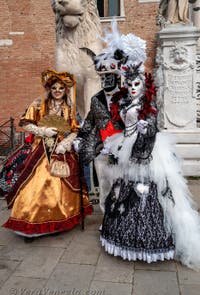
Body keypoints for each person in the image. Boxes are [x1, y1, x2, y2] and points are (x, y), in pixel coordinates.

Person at [99, 29, 200, 270]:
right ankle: (121, 234)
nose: (133, 87)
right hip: (126, 147)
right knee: (122, 190)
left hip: (148, 152)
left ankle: (154, 240)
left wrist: (146, 131)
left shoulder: (148, 104)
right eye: (129, 84)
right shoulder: (123, 102)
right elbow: (119, 124)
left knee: (148, 190)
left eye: (137, 84)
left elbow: (153, 127)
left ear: (144, 85)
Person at [3, 69, 92, 239]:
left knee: (63, 182)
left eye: (61, 88)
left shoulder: (68, 107)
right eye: (54, 88)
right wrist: (41, 130)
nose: (58, 91)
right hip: (41, 148)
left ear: (65, 90)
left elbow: (74, 130)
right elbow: (25, 123)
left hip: (63, 150)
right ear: (49, 90)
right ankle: (32, 220)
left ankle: (61, 220)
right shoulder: (38, 104)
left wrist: (66, 143)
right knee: (40, 181)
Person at [75, 50, 127, 213]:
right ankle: (107, 216)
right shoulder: (96, 99)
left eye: (108, 76)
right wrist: (80, 137)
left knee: (121, 183)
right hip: (102, 147)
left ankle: (122, 216)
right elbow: (90, 120)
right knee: (104, 184)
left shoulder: (126, 97)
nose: (105, 80)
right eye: (102, 77)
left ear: (116, 76)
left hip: (122, 147)